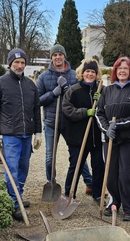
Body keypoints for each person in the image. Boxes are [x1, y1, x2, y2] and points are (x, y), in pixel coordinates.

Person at [0, 48, 42, 222]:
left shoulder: (30, 85)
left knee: (23, 168)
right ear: (10, 63)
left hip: (27, 134)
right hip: (10, 134)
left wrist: (38, 132)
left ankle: (18, 195)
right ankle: (14, 203)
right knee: (12, 169)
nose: (19, 65)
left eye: (22, 62)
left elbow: (36, 110)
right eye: (16, 62)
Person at [35, 44, 94, 194]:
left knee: (78, 155)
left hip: (71, 123)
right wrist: (53, 93)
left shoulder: (75, 75)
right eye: (55, 55)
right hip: (51, 122)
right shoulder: (43, 77)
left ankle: (90, 183)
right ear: (51, 58)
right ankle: (51, 183)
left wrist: (67, 89)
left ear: (64, 56)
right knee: (50, 157)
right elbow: (37, 101)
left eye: (60, 54)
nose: (58, 57)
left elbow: (81, 95)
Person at [95, 56, 130, 221]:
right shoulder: (107, 90)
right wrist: (107, 128)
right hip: (109, 138)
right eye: (119, 68)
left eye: (125, 68)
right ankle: (114, 202)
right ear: (115, 71)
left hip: (129, 139)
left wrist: (118, 124)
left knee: (125, 174)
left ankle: (128, 207)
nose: (122, 71)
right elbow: (99, 113)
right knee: (111, 174)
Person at [61, 59, 105, 203]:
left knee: (98, 167)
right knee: (75, 166)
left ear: (96, 74)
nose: (90, 74)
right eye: (87, 71)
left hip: (96, 137)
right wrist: (85, 112)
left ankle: (97, 194)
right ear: (82, 73)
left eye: (93, 71)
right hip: (77, 137)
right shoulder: (73, 90)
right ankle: (69, 194)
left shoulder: (102, 90)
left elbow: (109, 109)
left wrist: (102, 101)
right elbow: (67, 110)